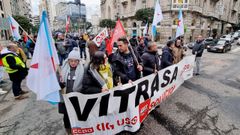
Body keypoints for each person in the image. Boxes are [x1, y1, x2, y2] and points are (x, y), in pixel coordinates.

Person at [58, 47, 84, 134]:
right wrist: (59, 84)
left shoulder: (82, 70)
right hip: (65, 98)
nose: (73, 63)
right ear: (68, 60)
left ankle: (77, 129)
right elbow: (57, 80)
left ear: (78, 61)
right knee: (66, 116)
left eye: (75, 61)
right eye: (71, 61)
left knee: (77, 115)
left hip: (77, 98)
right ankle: (68, 131)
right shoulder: (63, 69)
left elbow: (85, 83)